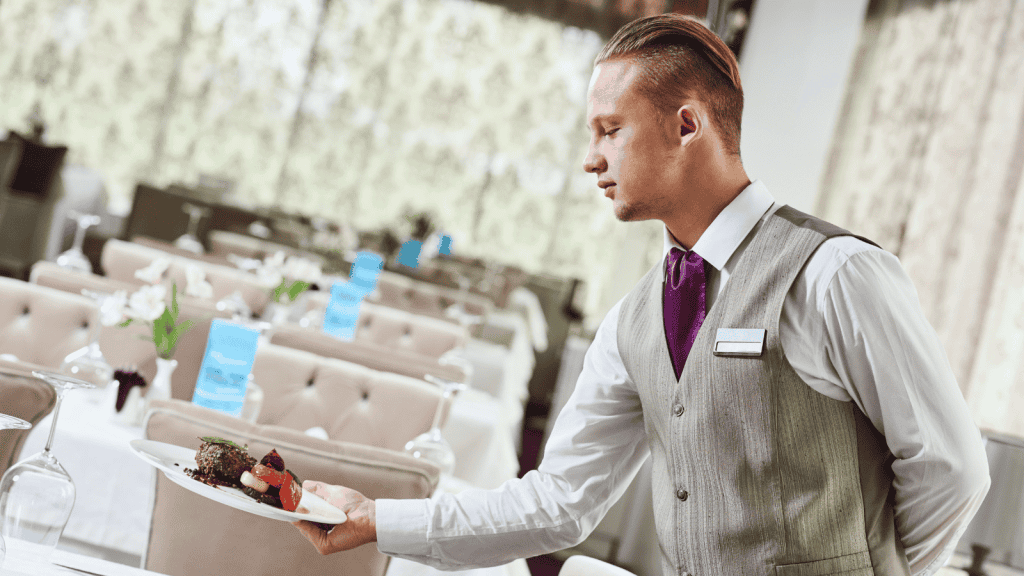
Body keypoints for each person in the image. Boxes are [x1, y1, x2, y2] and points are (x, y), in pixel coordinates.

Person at [293, 13, 990, 575]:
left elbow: (952, 471)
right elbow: (557, 503)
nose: (591, 157)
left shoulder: (834, 274)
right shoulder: (634, 321)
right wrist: (377, 520)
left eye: (609, 130)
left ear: (686, 126)